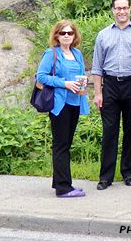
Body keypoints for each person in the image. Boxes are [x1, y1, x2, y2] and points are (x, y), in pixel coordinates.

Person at [91, 0, 131, 190]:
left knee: (130, 130)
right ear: (112, 10)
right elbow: (97, 67)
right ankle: (106, 177)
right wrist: (98, 93)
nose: (122, 11)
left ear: (130, 9)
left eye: (125, 8)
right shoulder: (103, 35)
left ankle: (129, 173)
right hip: (109, 86)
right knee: (109, 132)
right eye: (118, 8)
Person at [36, 20, 90, 198]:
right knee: (60, 145)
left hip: (75, 103)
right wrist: (64, 83)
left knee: (66, 145)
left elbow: (80, 74)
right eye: (63, 33)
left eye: (70, 33)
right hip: (60, 105)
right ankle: (63, 188)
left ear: (75, 36)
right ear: (57, 35)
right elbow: (41, 77)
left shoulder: (77, 53)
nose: (66, 36)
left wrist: (84, 81)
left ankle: (62, 182)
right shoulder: (51, 53)